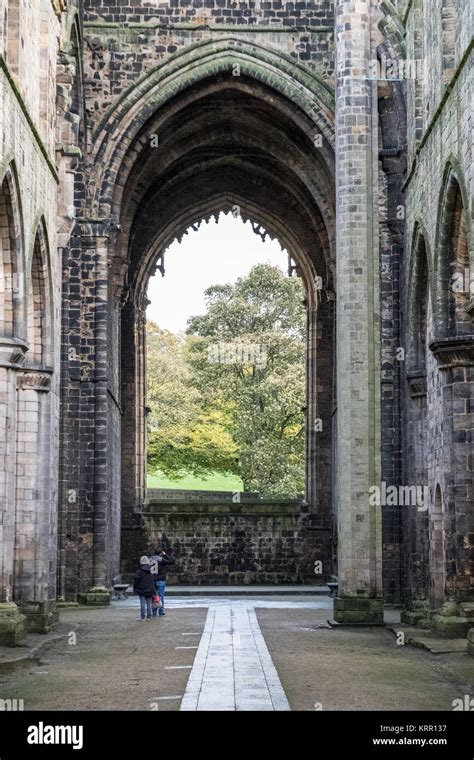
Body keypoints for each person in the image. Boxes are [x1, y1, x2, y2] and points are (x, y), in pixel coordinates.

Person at [150, 548, 174, 617]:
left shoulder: (150, 559)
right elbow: (171, 561)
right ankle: (161, 611)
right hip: (161, 579)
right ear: (160, 553)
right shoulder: (161, 559)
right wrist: (165, 555)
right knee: (161, 596)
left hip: (153, 579)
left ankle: (154, 611)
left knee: (154, 596)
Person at [133, 555, 155, 621]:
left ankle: (143, 617)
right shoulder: (151, 570)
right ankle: (149, 617)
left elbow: (136, 580)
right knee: (149, 603)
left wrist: (136, 587)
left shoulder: (139, 571)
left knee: (142, 603)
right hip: (150, 589)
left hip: (141, 589)